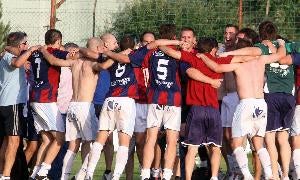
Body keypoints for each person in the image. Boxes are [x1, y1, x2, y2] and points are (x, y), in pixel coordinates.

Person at [198, 38, 287, 180]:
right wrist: (281, 44)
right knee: (259, 142)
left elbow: (216, 68)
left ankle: (247, 175)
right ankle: (270, 173)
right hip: (261, 104)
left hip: (246, 104)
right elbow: (281, 55)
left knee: (236, 142)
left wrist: (203, 56)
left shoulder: (238, 65)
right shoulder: (261, 60)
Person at [159, 37, 234, 180]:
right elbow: (245, 58)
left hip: (196, 109)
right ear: (213, 49)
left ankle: (187, 178)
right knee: (215, 147)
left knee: (192, 149)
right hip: (213, 109)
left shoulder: (193, 58)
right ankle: (214, 177)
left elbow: (167, 50)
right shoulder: (218, 61)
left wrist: (175, 44)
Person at [23, 29, 78, 179]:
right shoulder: (54, 51)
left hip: (34, 99)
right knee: (60, 138)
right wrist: (74, 55)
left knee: (47, 139)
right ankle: (43, 171)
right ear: (59, 41)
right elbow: (65, 57)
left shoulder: (35, 53)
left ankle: (34, 173)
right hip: (47, 100)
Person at [0, 32, 39, 180]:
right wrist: (30, 51)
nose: (27, 46)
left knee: (6, 140)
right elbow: (16, 63)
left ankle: (2, 173)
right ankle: (6, 175)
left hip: (5, 104)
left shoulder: (5, 54)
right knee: (14, 141)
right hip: (12, 104)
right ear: (19, 45)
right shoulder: (9, 56)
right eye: (25, 44)